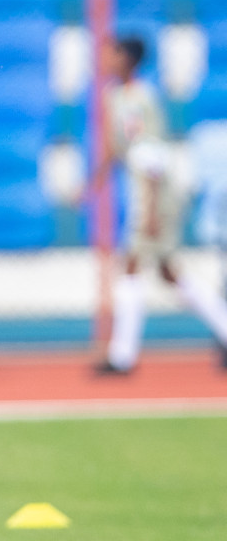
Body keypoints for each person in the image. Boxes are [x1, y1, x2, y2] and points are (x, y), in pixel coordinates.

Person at [96, 35, 227, 373]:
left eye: (114, 53)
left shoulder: (140, 98)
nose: (107, 59)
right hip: (142, 186)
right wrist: (93, 180)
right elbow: (116, 146)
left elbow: (150, 155)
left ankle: (122, 356)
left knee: (133, 265)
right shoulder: (115, 97)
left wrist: (152, 210)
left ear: (129, 59)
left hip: (153, 189)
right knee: (170, 273)